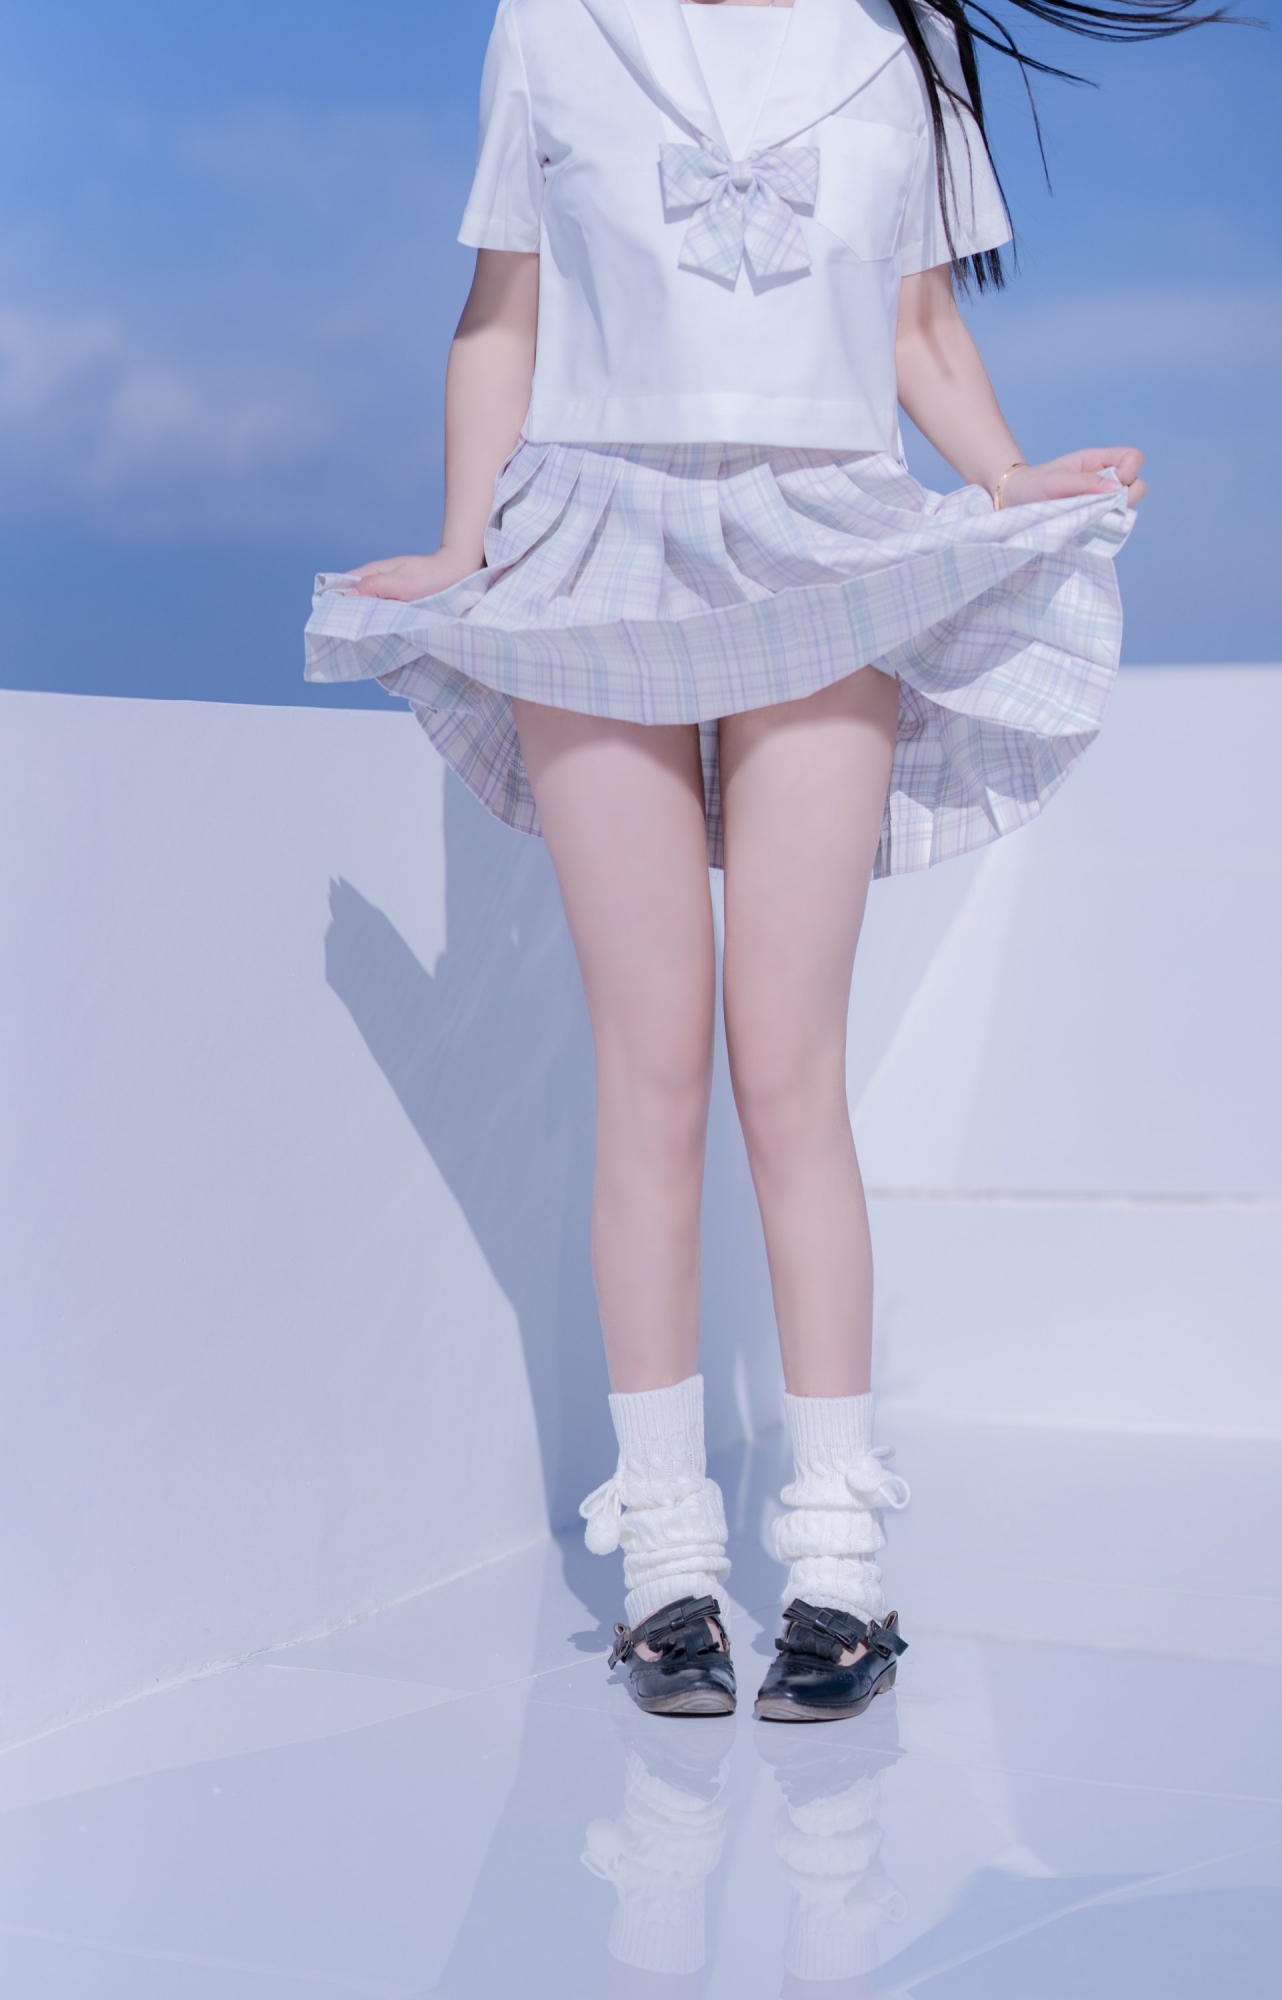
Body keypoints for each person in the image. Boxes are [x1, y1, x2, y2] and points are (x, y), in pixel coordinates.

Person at [305, 0, 1212, 1721]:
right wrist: (458, 540)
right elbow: (502, 312)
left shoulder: (899, 47)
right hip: (588, 541)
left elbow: (917, 324)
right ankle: (666, 1566)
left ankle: (839, 1570)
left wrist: (1006, 476)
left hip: (824, 536)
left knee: (786, 1069)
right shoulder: (550, 24)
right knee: (647, 1071)